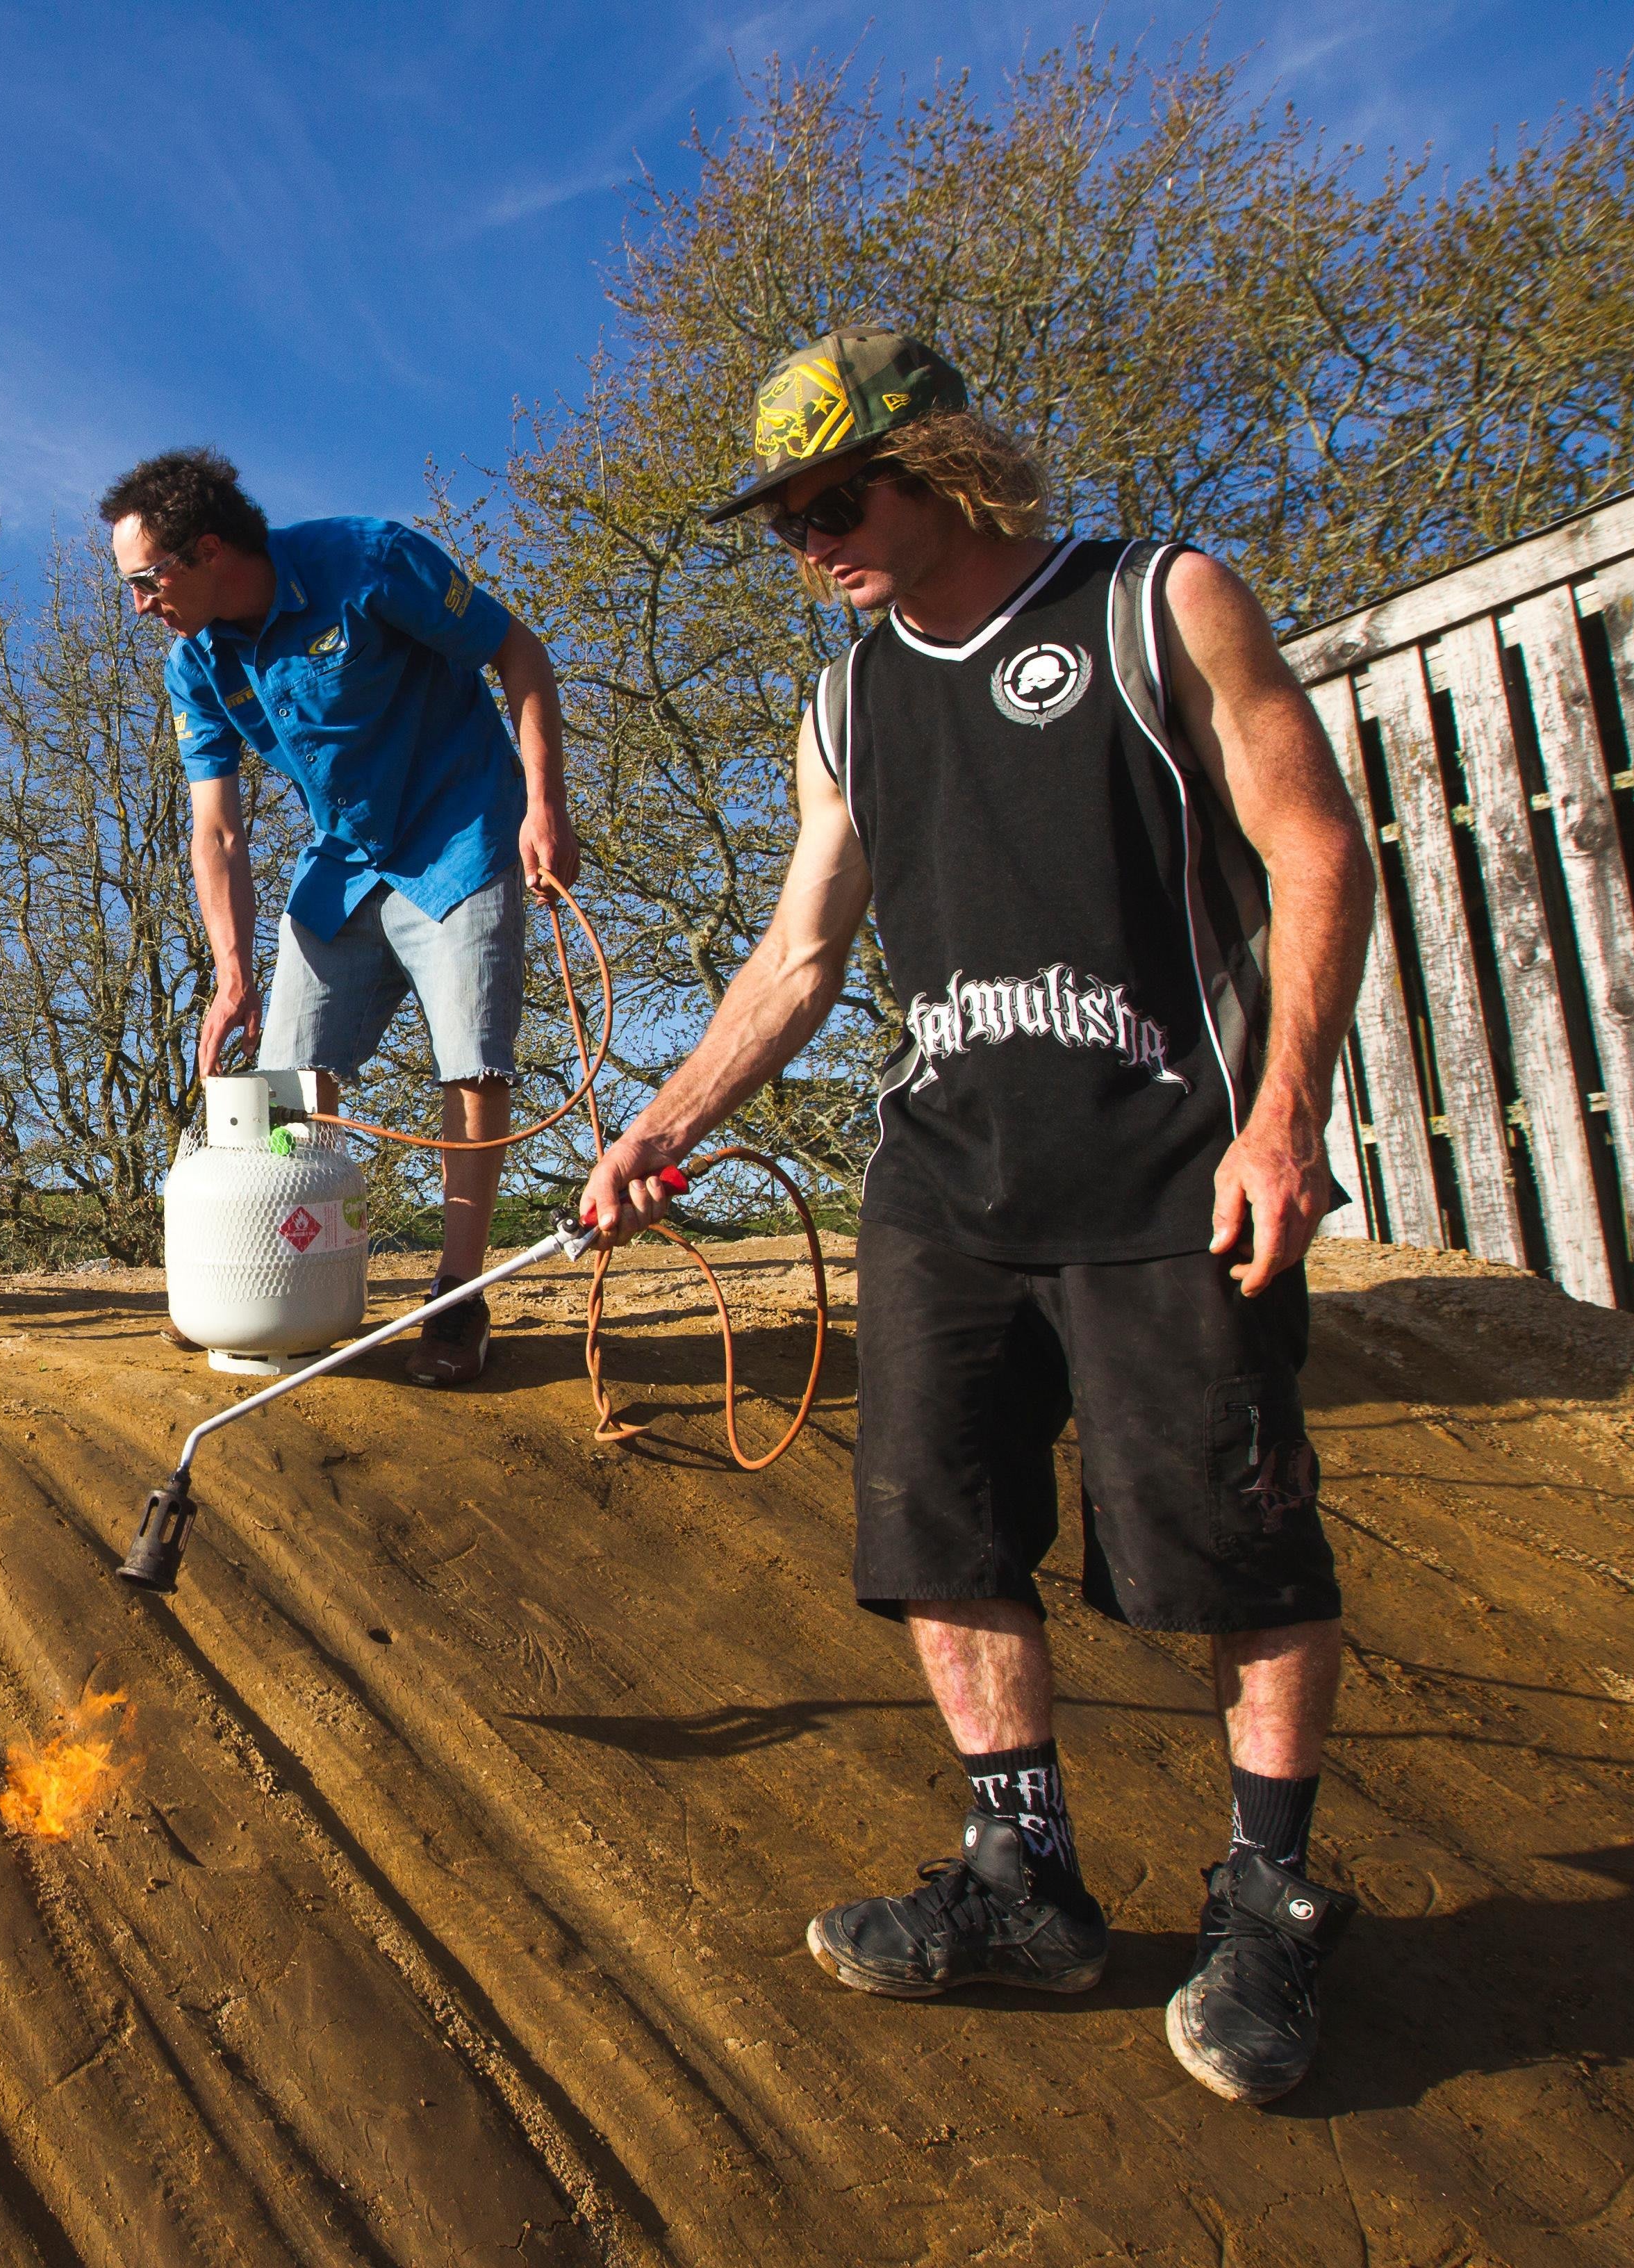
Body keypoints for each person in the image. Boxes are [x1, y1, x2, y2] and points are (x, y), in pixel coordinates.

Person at [578, 329, 1378, 2105]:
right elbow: (798, 954)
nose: (809, 541)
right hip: (946, 1181)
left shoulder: (1155, 604)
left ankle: (1269, 1899)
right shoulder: (848, 698)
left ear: (940, 461)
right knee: (939, 1533)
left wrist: (1283, 1119)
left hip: (1174, 1167)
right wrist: (660, 1126)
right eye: (780, 520)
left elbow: (1320, 848)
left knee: (1231, 1549)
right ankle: (1024, 1877)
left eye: (833, 497)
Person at [101, 447, 575, 1384]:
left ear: (205, 552)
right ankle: (275, 1289)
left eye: (146, 580)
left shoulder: (371, 561)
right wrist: (233, 971)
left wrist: (545, 805)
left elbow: (516, 652)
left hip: (460, 835)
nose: (140, 604)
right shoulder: (194, 667)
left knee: (471, 1060)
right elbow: (219, 832)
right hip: (344, 866)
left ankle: (456, 1296)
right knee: (279, 1093)